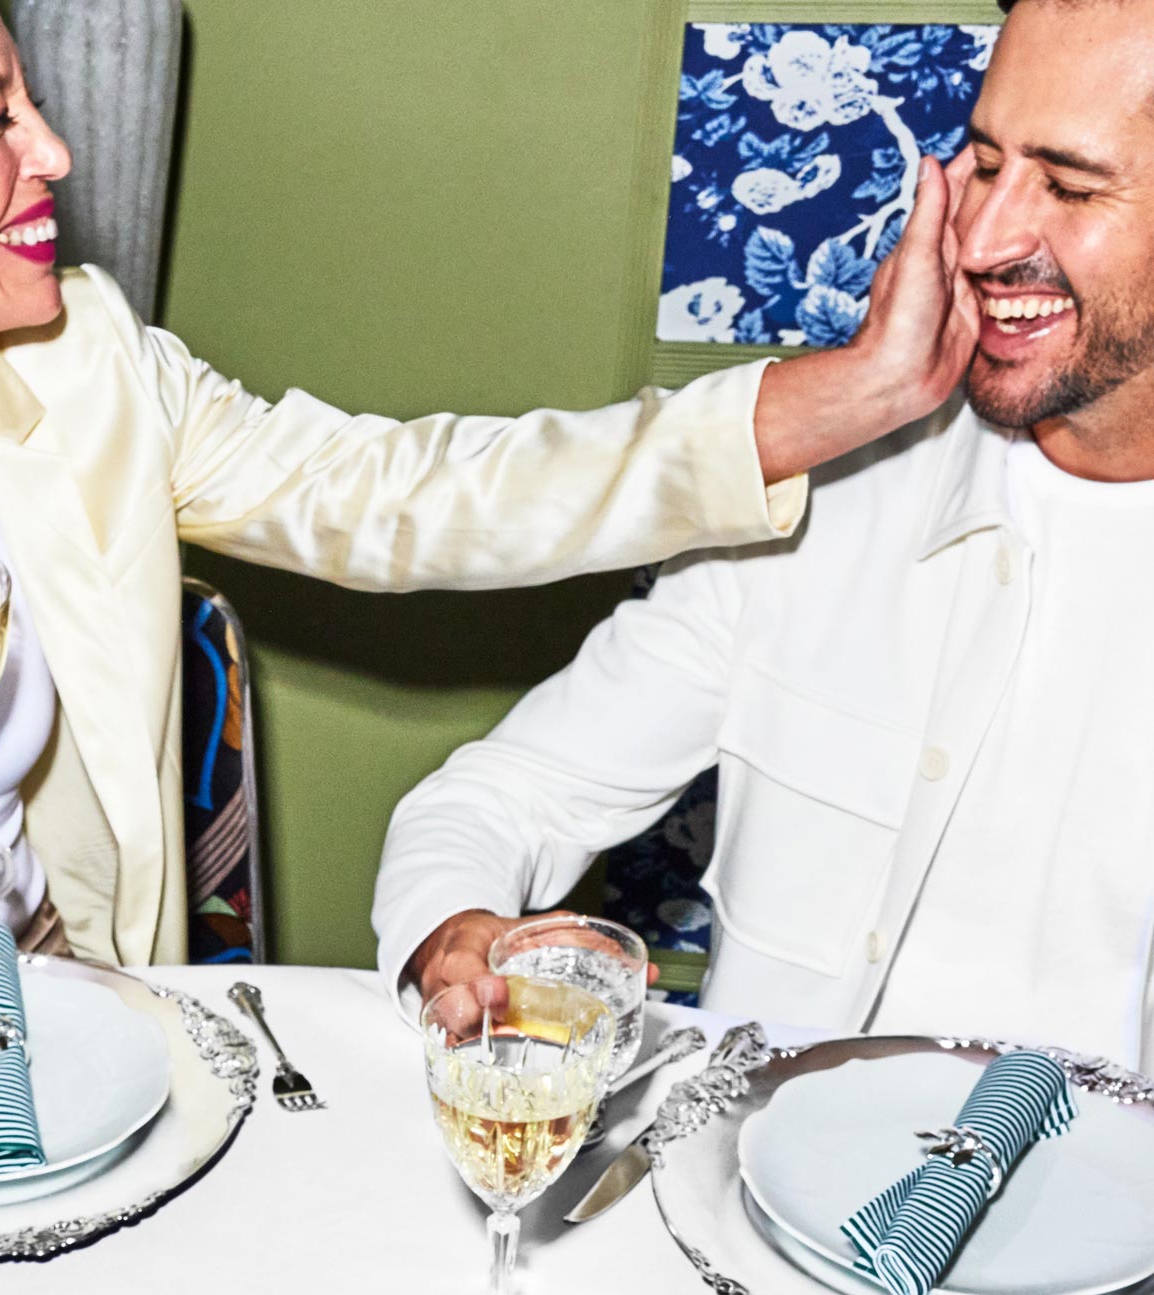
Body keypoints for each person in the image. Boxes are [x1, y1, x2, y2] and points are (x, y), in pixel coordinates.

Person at [0, 0, 969, 1021]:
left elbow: (409, 498)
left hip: (86, 1052)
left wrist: (836, 397)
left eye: (30, 99)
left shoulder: (90, 371)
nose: (55, 152)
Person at [376, 0, 1154, 1070]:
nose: (981, 239)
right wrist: (455, 931)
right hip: (745, 1215)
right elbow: (495, 799)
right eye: (981, 163)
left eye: (1065, 185)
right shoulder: (825, 497)